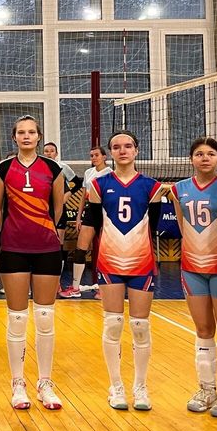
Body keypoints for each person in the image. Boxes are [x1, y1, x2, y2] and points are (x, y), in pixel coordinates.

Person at [0, 115, 65, 410]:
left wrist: (44, 230)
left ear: (38, 136)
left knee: (45, 316)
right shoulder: (3, 169)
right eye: (21, 132)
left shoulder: (53, 169)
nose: (26, 136)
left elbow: (58, 209)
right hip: (14, 248)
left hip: (46, 247)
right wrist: (12, 231)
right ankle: (18, 382)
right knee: (18, 317)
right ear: (14, 137)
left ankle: (45, 383)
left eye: (31, 132)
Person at [167, 137, 217, 418]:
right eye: (199, 154)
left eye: (211, 154)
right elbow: (182, 225)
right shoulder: (179, 190)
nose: (205, 158)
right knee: (202, 330)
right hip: (192, 269)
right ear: (191, 159)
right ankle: (206, 389)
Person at [86, 131, 162, 411]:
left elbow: (154, 226)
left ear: (136, 150)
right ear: (110, 153)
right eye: (116, 147)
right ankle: (115, 386)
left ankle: (140, 386)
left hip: (142, 262)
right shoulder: (98, 184)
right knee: (113, 323)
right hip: (110, 261)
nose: (123, 151)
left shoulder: (152, 187)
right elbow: (93, 223)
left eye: (128, 146)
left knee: (140, 326)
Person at [70, 146, 113, 298]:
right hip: (90, 211)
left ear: (104, 157)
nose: (93, 158)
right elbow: (83, 196)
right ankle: (75, 287)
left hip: (105, 212)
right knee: (80, 248)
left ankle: (104, 288)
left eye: (96, 155)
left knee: (104, 251)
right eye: (91, 155)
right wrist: (78, 217)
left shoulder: (110, 174)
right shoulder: (89, 172)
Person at [45, 141, 83, 298]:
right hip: (43, 209)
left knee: (58, 244)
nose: (49, 153)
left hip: (59, 209)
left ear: (56, 153)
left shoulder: (62, 167)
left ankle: (57, 281)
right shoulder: (41, 167)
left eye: (51, 151)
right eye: (46, 151)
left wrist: (66, 196)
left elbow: (77, 183)